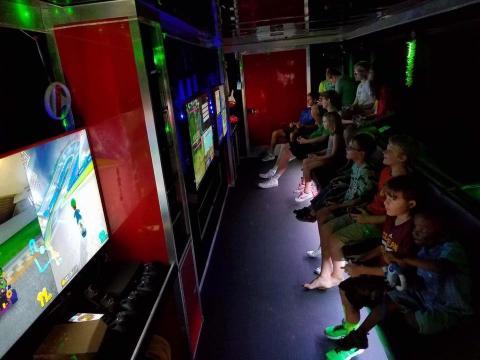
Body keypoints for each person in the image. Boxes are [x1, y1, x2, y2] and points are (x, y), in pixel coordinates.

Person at [327, 211, 473, 360]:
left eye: (424, 229)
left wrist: (406, 260)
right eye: (416, 227)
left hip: (449, 308)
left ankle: (407, 312)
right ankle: (359, 336)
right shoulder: (425, 247)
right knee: (387, 300)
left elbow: (441, 268)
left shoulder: (452, 249)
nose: (416, 232)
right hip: (424, 293)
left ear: (440, 231)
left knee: (419, 322)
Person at [322, 175, 419, 351]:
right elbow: (383, 247)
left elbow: (398, 271)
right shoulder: (391, 218)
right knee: (346, 288)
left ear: (411, 204)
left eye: (393, 199)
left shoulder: (411, 233)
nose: (386, 203)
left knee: (365, 297)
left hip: (397, 282)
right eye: (387, 198)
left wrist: (361, 269)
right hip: (380, 270)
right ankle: (349, 328)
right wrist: (365, 257)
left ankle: (357, 341)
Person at [304, 135, 418, 282]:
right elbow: (375, 198)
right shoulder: (385, 172)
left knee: (335, 239)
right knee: (326, 227)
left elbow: (396, 218)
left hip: (376, 223)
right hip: (367, 211)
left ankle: (335, 277)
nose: (384, 152)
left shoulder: (406, 187)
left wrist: (368, 218)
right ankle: (325, 272)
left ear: (402, 157)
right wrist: (363, 208)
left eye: (390, 150)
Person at [303, 133, 377, 289]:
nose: (347, 149)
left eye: (351, 148)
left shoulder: (367, 172)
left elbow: (362, 199)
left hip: (354, 210)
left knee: (325, 216)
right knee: (322, 213)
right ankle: (326, 268)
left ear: (361, 153)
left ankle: (334, 273)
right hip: (345, 205)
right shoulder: (355, 166)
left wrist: (337, 206)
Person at [258, 104, 329, 188]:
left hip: (313, 148)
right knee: (285, 146)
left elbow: (322, 138)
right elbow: (314, 127)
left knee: (287, 151)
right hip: (307, 144)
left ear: (316, 112)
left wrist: (306, 140)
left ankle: (275, 179)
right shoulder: (319, 123)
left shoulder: (325, 123)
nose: (310, 111)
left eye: (312, 110)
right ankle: (274, 170)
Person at [294, 112, 345, 202]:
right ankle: (305, 184)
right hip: (327, 157)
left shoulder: (337, 136)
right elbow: (328, 149)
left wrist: (317, 158)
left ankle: (307, 191)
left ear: (331, 122)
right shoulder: (332, 134)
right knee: (305, 161)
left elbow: (333, 154)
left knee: (308, 166)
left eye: (325, 121)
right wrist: (317, 153)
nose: (323, 123)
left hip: (331, 161)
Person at [262, 93, 318, 162]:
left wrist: (303, 126)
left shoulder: (316, 110)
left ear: (315, 100)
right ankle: (271, 154)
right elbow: (299, 122)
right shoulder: (305, 110)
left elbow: (316, 126)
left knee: (292, 134)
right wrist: (294, 123)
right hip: (297, 127)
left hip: (305, 130)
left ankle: (293, 153)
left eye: (309, 99)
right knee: (275, 133)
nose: (307, 101)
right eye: (307, 99)